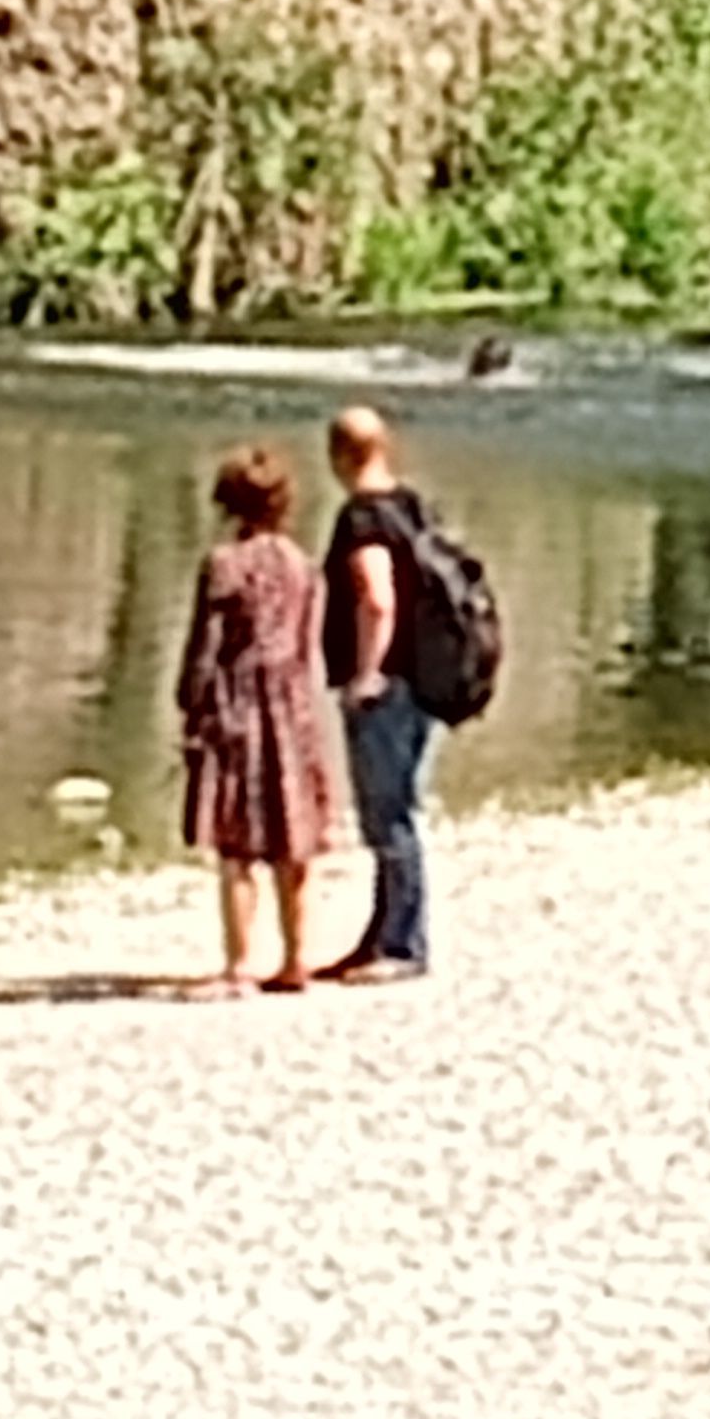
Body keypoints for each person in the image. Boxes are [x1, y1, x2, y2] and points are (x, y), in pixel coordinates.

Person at [176, 445, 344, 995]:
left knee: (237, 841)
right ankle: (298, 959)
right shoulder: (305, 567)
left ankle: (241, 963)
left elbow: (207, 647)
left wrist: (191, 705)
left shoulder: (224, 565)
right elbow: (308, 643)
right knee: (294, 836)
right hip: (294, 705)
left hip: (238, 705)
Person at [319, 403, 437, 982]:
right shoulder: (413, 507)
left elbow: (377, 596)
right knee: (394, 809)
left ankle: (403, 944)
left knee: (388, 815)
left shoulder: (363, 518)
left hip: (386, 686)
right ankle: (382, 933)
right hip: (422, 679)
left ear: (340, 454)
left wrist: (365, 674)